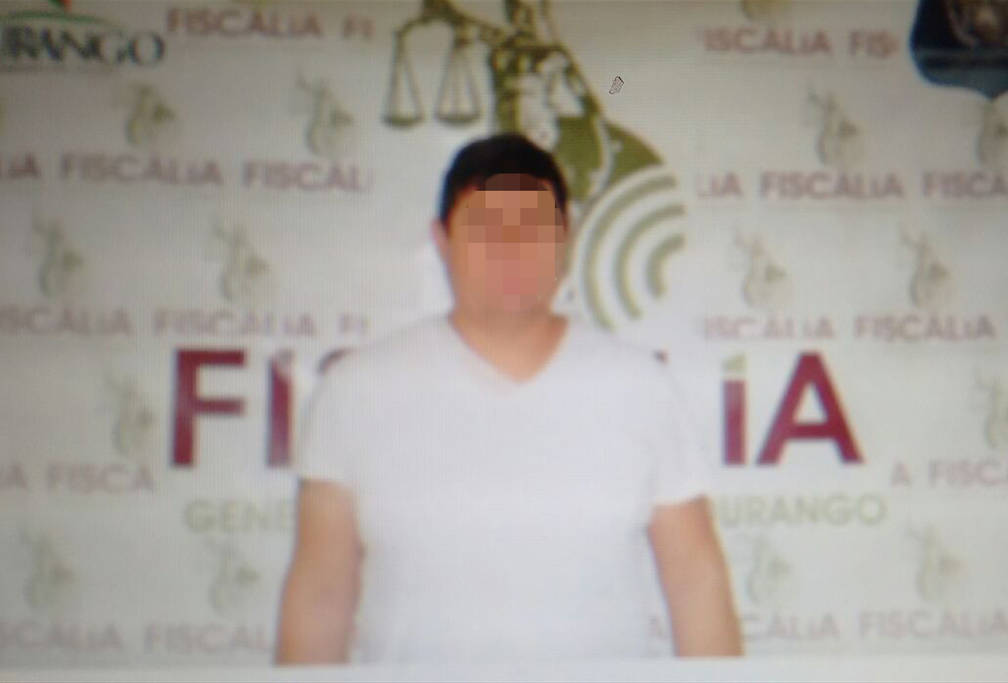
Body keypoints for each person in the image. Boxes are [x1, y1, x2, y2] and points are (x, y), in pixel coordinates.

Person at [274, 132, 742, 665]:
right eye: (486, 227)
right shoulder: (358, 389)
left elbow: (696, 583)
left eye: (534, 227)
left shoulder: (639, 386)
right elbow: (321, 594)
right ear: (442, 240)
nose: (512, 246)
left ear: (565, 238)